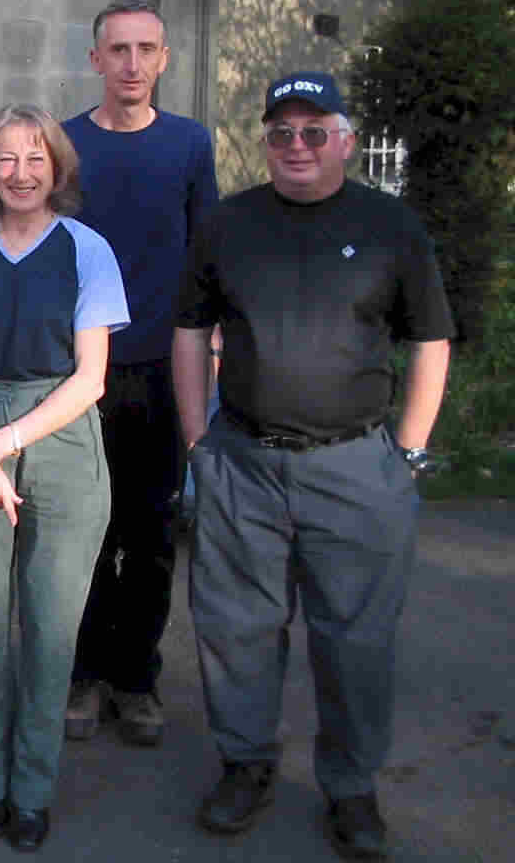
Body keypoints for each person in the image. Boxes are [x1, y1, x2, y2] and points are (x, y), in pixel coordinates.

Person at [175, 71, 453, 859]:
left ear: (346, 140)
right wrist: (198, 443)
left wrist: (411, 452)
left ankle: (353, 786)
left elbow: (430, 339)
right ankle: (246, 763)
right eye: (281, 132)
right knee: (237, 629)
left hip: (356, 467)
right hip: (243, 462)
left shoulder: (391, 225)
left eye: (313, 130)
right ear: (266, 141)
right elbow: (190, 332)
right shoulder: (227, 226)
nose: (296, 145)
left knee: (355, 637)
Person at [0, 104, 129, 853]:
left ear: (57, 167)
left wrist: (1, 445)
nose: (20, 173)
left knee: (49, 629)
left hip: (63, 434)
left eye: (34, 158)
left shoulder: (87, 250)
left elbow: (90, 377)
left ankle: (33, 788)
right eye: (6, 159)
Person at [60, 0, 218, 746]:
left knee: (150, 535)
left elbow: (206, 254)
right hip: (75, 373)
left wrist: (212, 348)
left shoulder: (189, 145)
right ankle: (83, 673)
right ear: (96, 59)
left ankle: (136, 678)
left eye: (145, 49)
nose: (131, 63)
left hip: (161, 369)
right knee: (80, 533)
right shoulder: (63, 144)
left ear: (163, 59)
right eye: (116, 49)